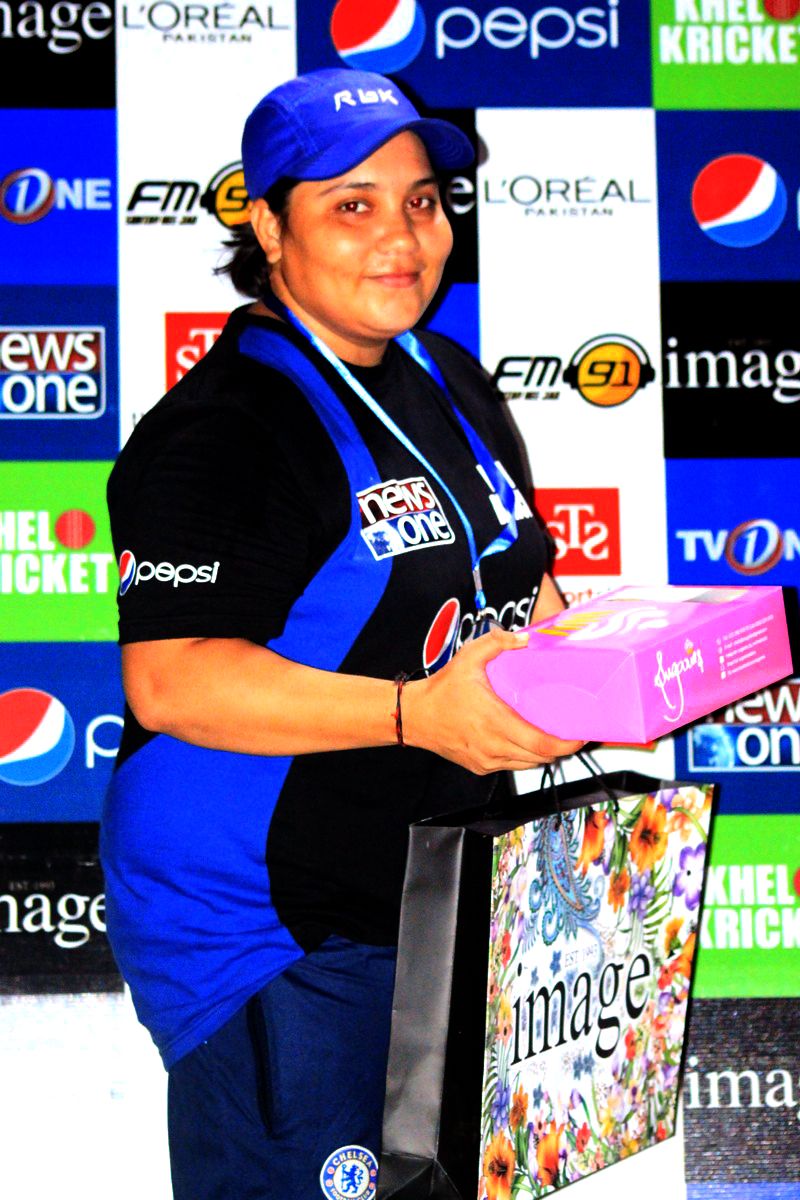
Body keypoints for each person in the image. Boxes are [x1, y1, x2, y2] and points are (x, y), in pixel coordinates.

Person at [101, 67, 582, 1200]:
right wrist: (420, 714)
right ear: (269, 228)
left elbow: (522, 591)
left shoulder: (445, 378)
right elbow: (173, 679)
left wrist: (623, 669)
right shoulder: (224, 427)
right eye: (351, 205)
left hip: (437, 907)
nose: (401, 238)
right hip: (274, 929)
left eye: (421, 201)